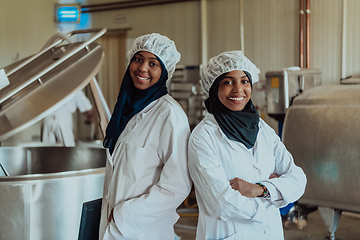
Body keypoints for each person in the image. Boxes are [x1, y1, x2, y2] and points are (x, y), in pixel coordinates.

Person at [188, 51, 307, 240]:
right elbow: (222, 203)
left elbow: (298, 179)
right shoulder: (203, 137)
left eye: (244, 81)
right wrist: (275, 195)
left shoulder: (262, 129)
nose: (238, 89)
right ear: (213, 87)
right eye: (228, 82)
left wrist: (261, 189)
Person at [99, 33, 192, 239]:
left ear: (164, 71)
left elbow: (177, 185)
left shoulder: (169, 114)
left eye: (153, 63)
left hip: (144, 229)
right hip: (113, 227)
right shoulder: (125, 111)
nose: (142, 68)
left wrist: (125, 214)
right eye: (138, 60)